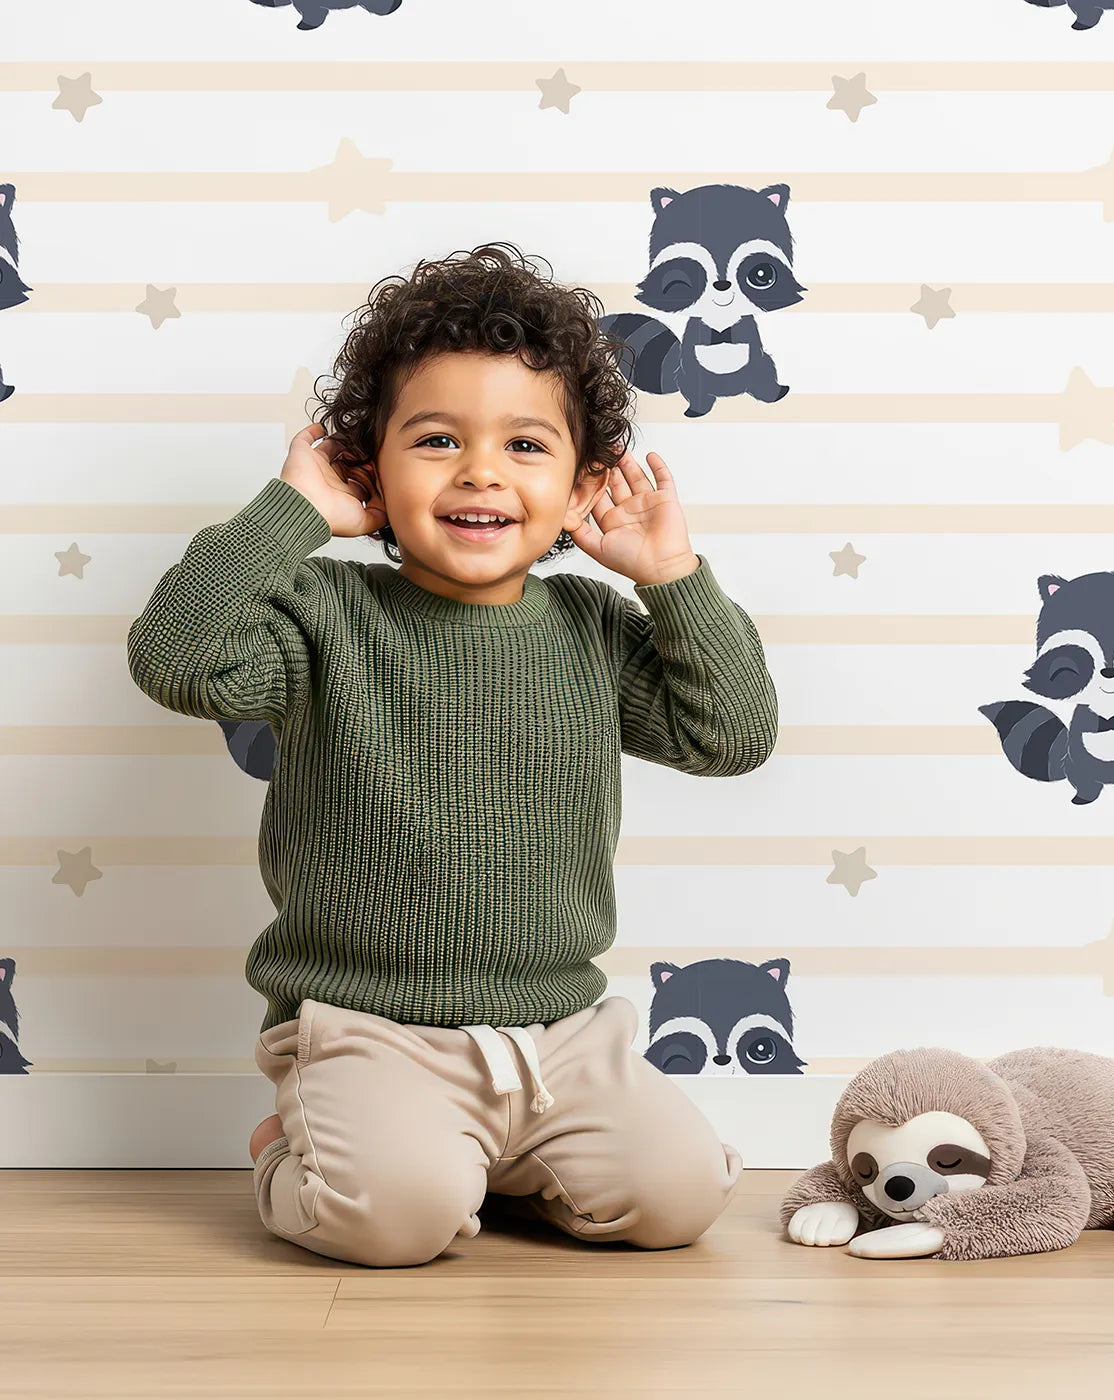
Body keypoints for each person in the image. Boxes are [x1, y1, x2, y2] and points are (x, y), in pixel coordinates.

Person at [126, 243, 780, 1267]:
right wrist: (292, 513)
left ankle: (499, 1163)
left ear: (579, 484)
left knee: (680, 1196)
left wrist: (671, 575)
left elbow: (731, 735)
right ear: (368, 468)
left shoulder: (593, 630)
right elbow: (176, 655)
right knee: (391, 1222)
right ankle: (294, 1150)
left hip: (562, 1033)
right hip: (368, 1029)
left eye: (525, 444)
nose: (480, 470)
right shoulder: (323, 615)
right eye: (436, 439)